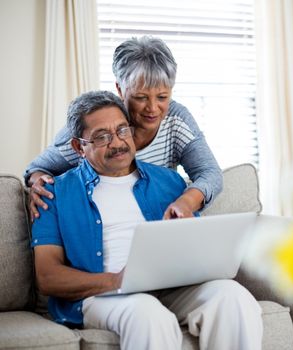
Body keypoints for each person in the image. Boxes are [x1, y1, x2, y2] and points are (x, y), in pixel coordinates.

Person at [32, 90, 263, 350]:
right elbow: (47, 276)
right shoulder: (53, 193)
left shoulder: (169, 182)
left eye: (122, 130)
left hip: (173, 286)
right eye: (102, 137)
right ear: (78, 147)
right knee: (149, 315)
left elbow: (195, 244)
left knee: (234, 297)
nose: (117, 142)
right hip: (104, 295)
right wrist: (115, 280)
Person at [25, 36, 222, 220]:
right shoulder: (94, 125)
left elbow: (210, 172)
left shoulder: (177, 120)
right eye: (140, 97)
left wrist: (187, 201)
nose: (153, 108)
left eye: (162, 97)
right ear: (120, 89)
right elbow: (37, 169)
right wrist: (39, 183)